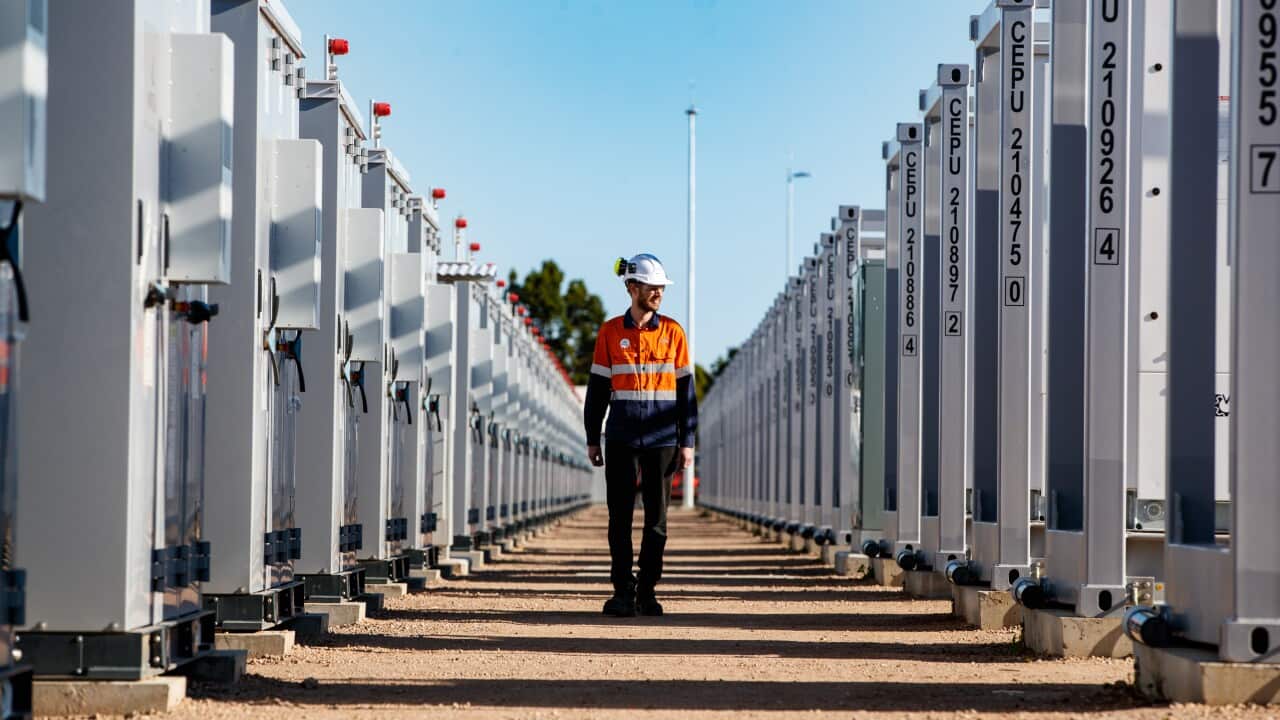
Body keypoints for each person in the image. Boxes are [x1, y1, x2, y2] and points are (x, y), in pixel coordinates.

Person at [583, 253, 698, 618]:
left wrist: (688, 441)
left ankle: (647, 591)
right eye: (652, 288)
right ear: (632, 288)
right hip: (620, 437)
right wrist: (592, 436)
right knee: (619, 518)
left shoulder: (674, 333)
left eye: (662, 288)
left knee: (657, 520)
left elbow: (686, 393)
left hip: (663, 440)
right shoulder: (610, 332)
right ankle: (622, 592)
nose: (658, 294)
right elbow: (598, 389)